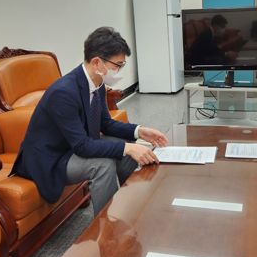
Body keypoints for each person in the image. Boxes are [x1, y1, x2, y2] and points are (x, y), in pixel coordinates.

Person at [11, 27, 168, 215]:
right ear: (97, 62)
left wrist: (140, 131)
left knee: (125, 147)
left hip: (72, 146)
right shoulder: (64, 92)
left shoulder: (98, 83)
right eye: (118, 65)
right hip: (51, 158)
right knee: (103, 165)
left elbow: (105, 124)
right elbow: (82, 146)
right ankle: (108, 229)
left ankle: (134, 208)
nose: (119, 71)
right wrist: (128, 147)